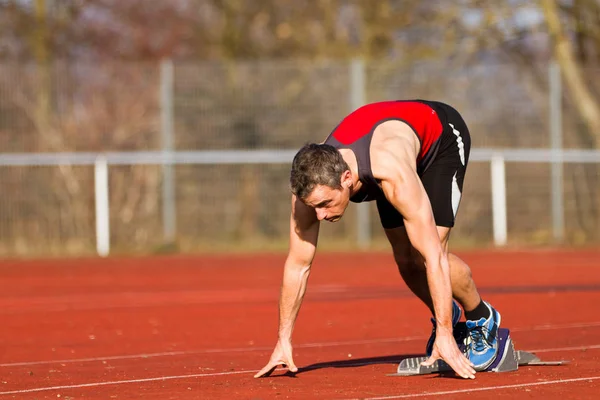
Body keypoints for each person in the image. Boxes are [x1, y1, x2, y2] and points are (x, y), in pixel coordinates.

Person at [254, 100, 501, 380]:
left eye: (325, 203)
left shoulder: (389, 172)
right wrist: (283, 339)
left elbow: (434, 257)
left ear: (346, 178)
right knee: (404, 258)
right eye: (314, 207)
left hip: (439, 138)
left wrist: (444, 334)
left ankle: (481, 317)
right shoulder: (309, 189)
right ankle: (448, 316)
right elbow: (298, 265)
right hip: (385, 144)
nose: (320, 215)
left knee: (425, 251)